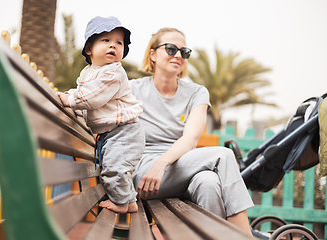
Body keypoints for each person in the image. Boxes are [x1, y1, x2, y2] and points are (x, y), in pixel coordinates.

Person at [130, 27, 254, 235]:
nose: (178, 55)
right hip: (145, 174)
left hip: (176, 168)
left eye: (184, 52)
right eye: (170, 49)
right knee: (224, 154)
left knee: (209, 182)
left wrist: (162, 163)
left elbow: (190, 139)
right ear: (152, 54)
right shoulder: (133, 89)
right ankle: (244, 235)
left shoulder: (197, 92)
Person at [57, 16, 145, 214]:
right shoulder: (87, 73)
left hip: (125, 131)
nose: (113, 45)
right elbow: (85, 96)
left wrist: (69, 99)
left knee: (115, 169)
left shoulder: (114, 72)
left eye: (119, 42)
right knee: (115, 168)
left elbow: (92, 99)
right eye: (106, 40)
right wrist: (70, 95)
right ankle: (128, 202)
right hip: (112, 134)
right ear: (89, 49)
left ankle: (122, 203)